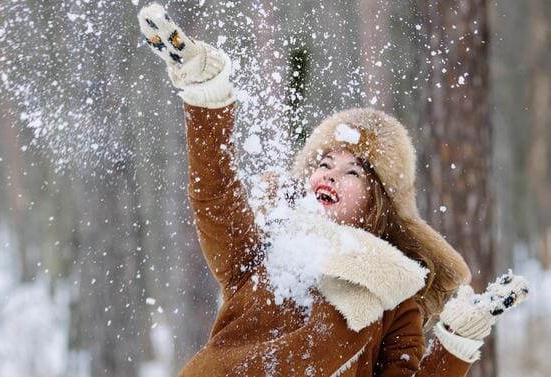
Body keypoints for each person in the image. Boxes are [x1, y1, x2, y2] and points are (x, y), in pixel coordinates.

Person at [137, 3, 529, 376]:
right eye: (323, 164)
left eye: (352, 172)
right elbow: (216, 196)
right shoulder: (266, 247)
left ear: (378, 204)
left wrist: (455, 344)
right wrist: (208, 100)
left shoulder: (394, 299)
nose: (329, 175)